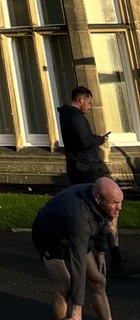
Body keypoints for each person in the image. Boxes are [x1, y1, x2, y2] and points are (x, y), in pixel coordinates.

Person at [31, 177, 123, 320]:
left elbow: (103, 221)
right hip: (48, 237)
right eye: (115, 203)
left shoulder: (102, 199)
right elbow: (78, 266)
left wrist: (100, 251)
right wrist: (77, 309)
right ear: (98, 199)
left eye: (121, 202)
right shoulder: (80, 217)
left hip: (71, 234)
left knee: (98, 282)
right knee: (65, 288)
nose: (120, 207)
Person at [58, 86, 128, 274]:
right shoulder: (75, 117)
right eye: (89, 102)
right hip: (88, 170)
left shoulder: (65, 116)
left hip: (78, 169)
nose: (90, 106)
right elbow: (85, 142)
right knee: (111, 209)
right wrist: (99, 140)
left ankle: (86, 255)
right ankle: (114, 259)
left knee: (88, 211)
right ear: (81, 99)